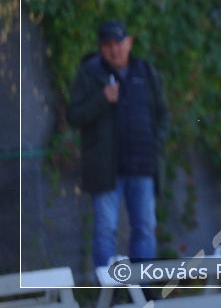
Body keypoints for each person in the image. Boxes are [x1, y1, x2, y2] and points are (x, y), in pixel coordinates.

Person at [67, 20, 169, 271]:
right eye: (108, 45)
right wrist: (102, 99)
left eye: (119, 43)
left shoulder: (145, 72)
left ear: (129, 43)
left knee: (145, 227)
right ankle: (106, 293)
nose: (115, 50)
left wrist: (155, 144)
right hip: (106, 170)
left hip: (142, 166)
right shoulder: (89, 74)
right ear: (101, 48)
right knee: (105, 229)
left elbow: (163, 114)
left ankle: (144, 289)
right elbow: (74, 116)